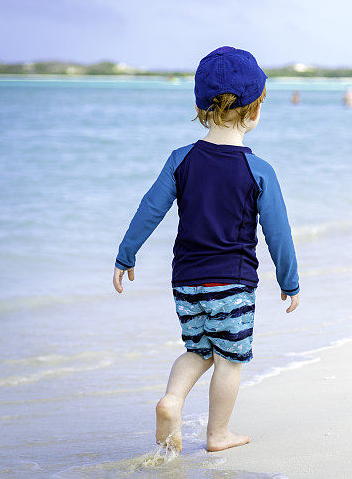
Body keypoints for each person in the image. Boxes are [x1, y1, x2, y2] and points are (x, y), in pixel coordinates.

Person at [112, 47, 301, 454]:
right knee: (229, 359)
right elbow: (278, 233)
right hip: (232, 283)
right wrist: (289, 280)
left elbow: (149, 210)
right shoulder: (259, 169)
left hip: (186, 282)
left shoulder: (181, 160)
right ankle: (217, 434)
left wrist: (126, 255)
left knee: (197, 350)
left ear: (201, 106)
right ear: (253, 111)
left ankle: (172, 400)